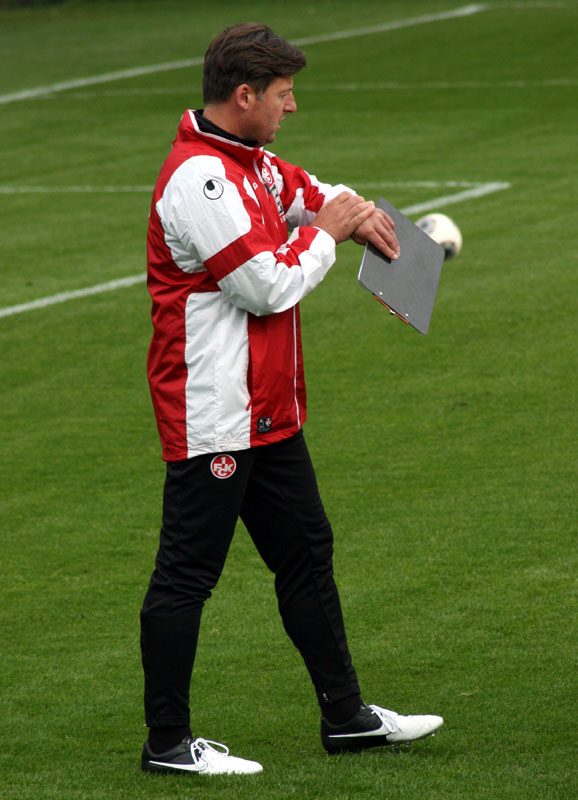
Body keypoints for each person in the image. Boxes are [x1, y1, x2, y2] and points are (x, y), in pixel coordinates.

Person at [140, 22, 443, 777]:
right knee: (187, 576)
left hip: (270, 414)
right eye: (282, 95)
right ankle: (168, 747)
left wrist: (359, 215)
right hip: (213, 417)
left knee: (307, 556)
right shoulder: (200, 180)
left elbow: (314, 193)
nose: (292, 106)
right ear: (243, 97)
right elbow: (265, 287)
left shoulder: (254, 164)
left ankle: (347, 718)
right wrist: (329, 237)